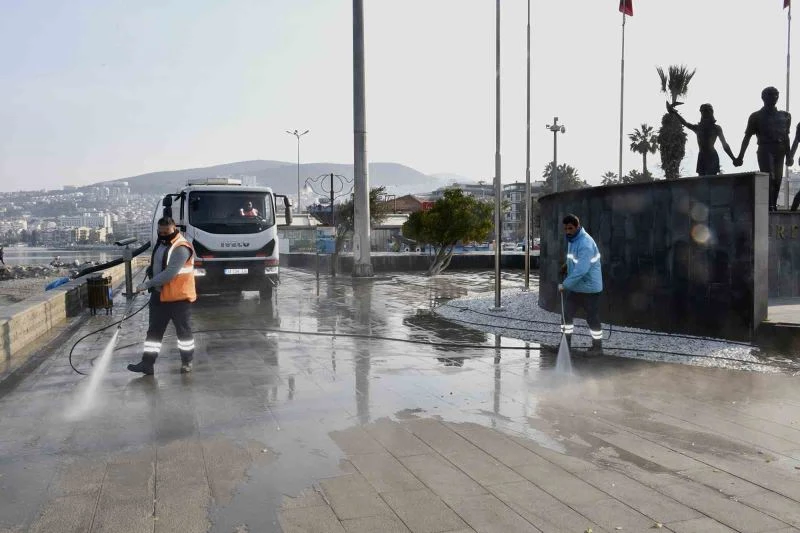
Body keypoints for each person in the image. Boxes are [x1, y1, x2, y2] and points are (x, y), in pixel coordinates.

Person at [128, 217, 197, 375]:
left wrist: (147, 284)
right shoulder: (161, 243)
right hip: (159, 296)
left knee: (183, 332)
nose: (163, 234)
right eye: (160, 232)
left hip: (179, 298)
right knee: (154, 332)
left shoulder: (181, 247)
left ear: (174, 229)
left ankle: (187, 362)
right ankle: (147, 364)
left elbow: (170, 273)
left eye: (166, 232)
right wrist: (151, 271)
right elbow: (158, 263)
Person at [733, 86, 792, 211]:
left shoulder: (785, 116)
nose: (774, 97)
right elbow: (747, 137)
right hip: (765, 149)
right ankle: (769, 206)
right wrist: (740, 156)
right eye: (770, 94)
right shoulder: (756, 116)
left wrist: (789, 155)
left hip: (780, 149)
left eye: (776, 94)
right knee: (770, 178)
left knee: (778, 179)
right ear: (763, 97)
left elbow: (786, 137)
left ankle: (773, 205)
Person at [558, 214, 604, 356]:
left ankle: (597, 349)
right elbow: (574, 259)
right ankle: (564, 346)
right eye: (565, 229)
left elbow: (581, 270)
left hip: (589, 288)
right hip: (578, 286)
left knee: (592, 318)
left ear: (578, 226)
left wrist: (564, 285)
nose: (567, 231)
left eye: (570, 228)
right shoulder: (573, 239)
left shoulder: (585, 244)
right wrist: (567, 265)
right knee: (566, 315)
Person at [667, 102, 736, 176]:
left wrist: (733, 159)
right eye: (702, 111)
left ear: (711, 113)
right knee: (702, 182)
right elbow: (685, 123)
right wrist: (674, 112)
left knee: (710, 181)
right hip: (701, 157)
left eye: (706, 111)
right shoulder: (698, 128)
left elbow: (725, 145)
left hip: (712, 157)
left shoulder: (716, 128)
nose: (704, 113)